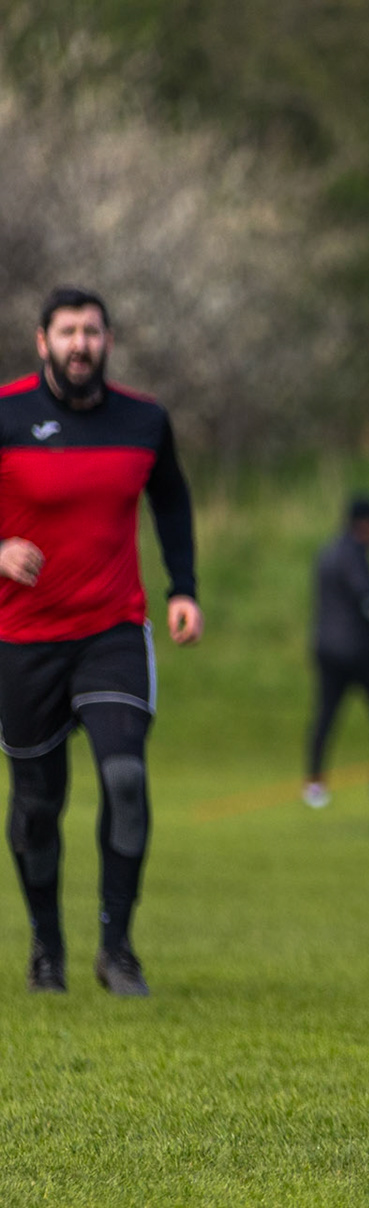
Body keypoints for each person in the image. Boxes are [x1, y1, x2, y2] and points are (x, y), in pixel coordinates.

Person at [0, 287, 202, 998]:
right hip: (22, 638)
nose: (80, 344)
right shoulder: (7, 414)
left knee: (125, 778)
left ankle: (117, 950)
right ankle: (47, 948)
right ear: (42, 341)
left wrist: (183, 588)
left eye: (91, 331)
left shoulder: (145, 419)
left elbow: (171, 499)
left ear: (108, 340)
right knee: (37, 804)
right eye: (67, 332)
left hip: (112, 629)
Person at [305, 494, 369, 809]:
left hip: (325, 646)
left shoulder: (327, 552)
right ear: (366, 523)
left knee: (326, 714)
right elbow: (365, 596)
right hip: (357, 648)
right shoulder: (355, 552)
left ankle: (314, 784)